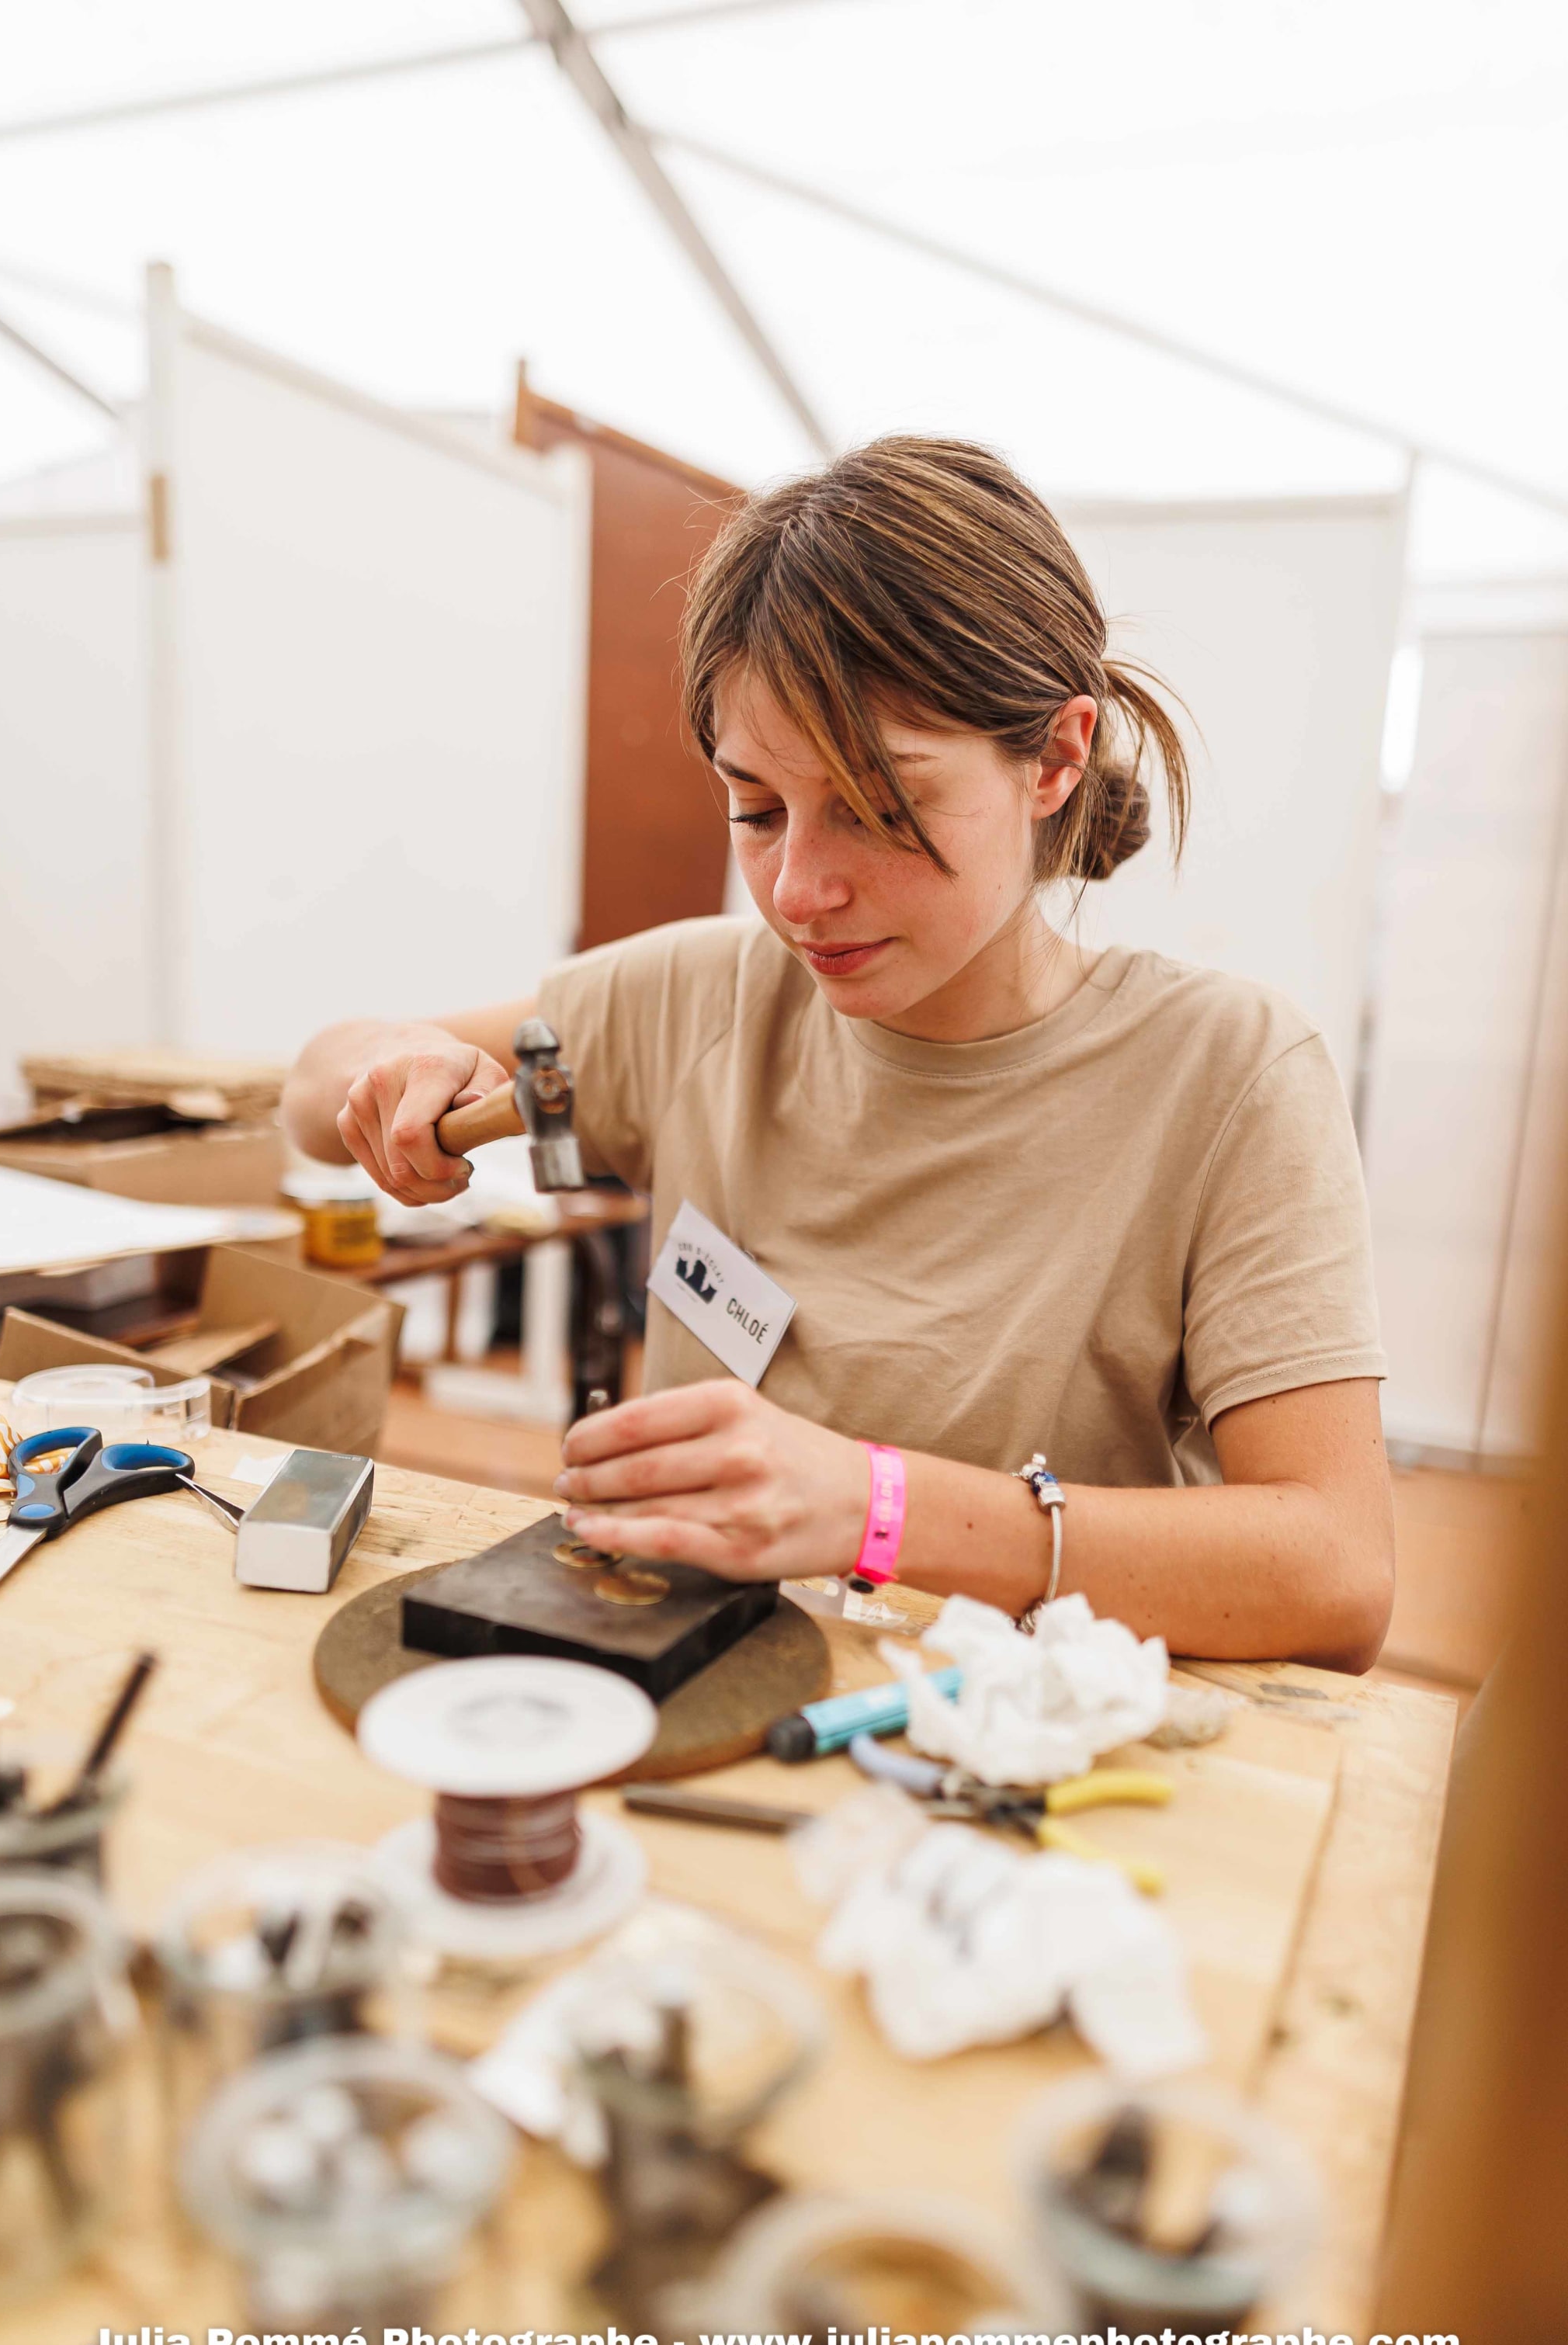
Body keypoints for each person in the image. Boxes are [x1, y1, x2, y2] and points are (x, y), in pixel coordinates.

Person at [284, 436, 1393, 1670]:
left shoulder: (1225, 1075)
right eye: (755, 810)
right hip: (677, 1710)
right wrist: (395, 1065)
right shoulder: (701, 1001)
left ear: (1057, 760)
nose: (799, 889)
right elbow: (312, 1085)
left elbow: (1336, 1574)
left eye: (876, 806)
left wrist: (877, 1509)